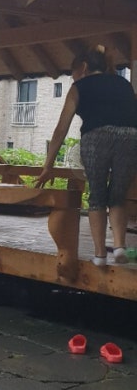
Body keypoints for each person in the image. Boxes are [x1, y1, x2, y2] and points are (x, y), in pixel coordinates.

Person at [35, 45, 137, 266]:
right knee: (118, 195)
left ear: (83, 67)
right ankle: (119, 246)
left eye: (73, 71)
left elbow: (61, 128)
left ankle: (100, 254)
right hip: (130, 137)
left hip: (96, 137)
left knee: (97, 196)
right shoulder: (124, 84)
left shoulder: (79, 86)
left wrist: (48, 164)